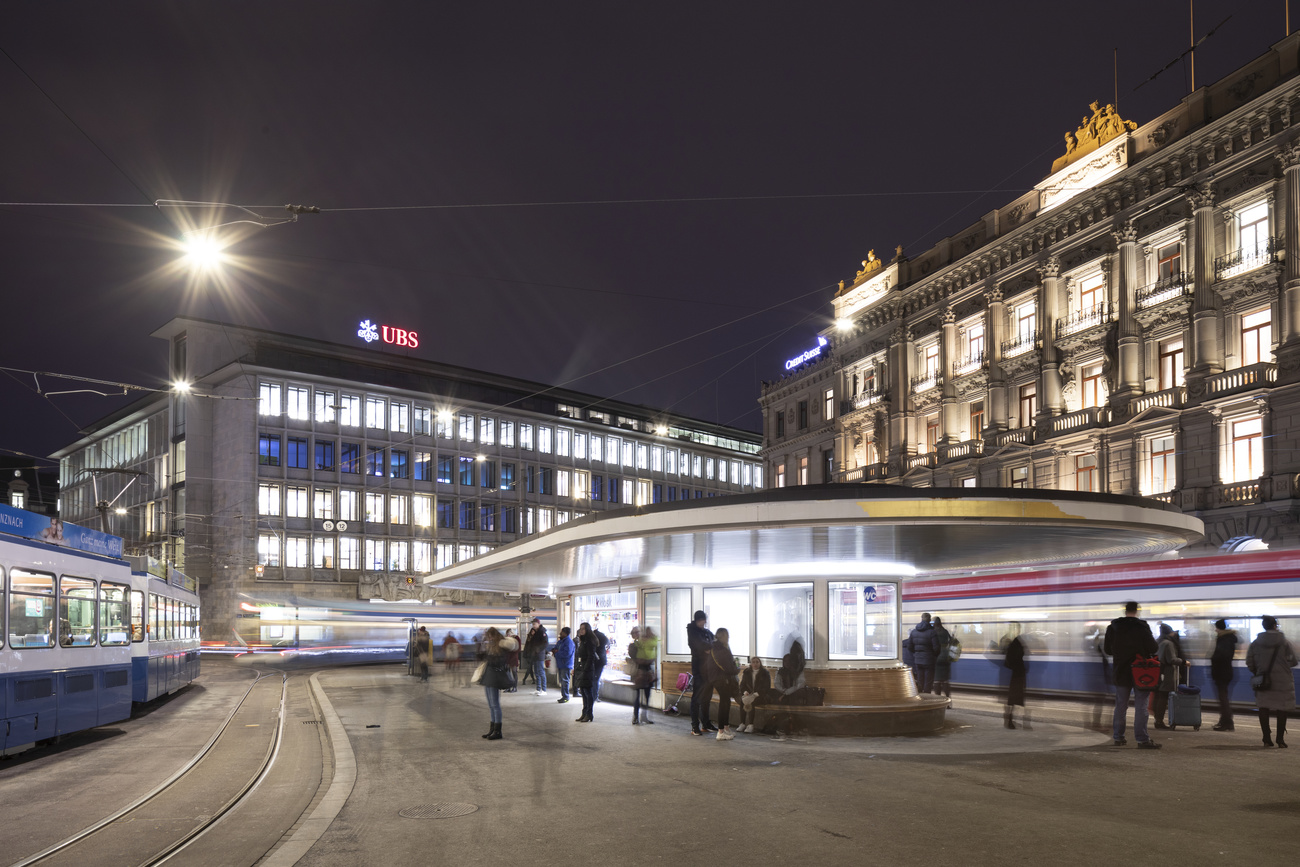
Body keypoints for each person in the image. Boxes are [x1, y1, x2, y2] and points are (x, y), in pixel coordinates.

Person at [1103, 600, 1161, 749]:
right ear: (1137, 611)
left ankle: (1118, 737)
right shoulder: (1142, 627)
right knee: (1141, 705)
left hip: (1121, 671)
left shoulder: (1113, 627)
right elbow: (1153, 647)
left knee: (1121, 706)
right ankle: (1142, 740)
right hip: (1141, 671)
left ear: (1125, 611)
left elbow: (1108, 650)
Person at [1246, 615, 1298, 747]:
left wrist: (1258, 672)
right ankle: (1280, 740)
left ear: (1264, 626)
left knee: (1263, 707)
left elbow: (1249, 661)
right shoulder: (1284, 642)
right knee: (1282, 709)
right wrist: (1283, 667)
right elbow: (1293, 661)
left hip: (1263, 679)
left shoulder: (1256, 643)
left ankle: (1266, 738)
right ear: (1275, 626)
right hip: (1283, 680)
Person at [479, 627, 518, 741]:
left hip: (495, 677)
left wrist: (488, 658)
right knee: (491, 705)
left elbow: (499, 662)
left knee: (495, 705)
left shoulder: (501, 646)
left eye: (490, 636)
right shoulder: (492, 646)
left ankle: (498, 731)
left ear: (494, 635)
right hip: (488, 676)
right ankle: (492, 729)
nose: (489, 638)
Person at [704, 627, 742, 740]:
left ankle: (726, 728)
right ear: (723, 636)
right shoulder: (721, 649)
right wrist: (737, 669)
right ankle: (721, 731)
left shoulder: (715, 647)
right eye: (727, 635)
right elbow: (728, 667)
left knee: (726, 703)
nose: (729, 637)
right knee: (724, 704)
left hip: (717, 678)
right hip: (721, 679)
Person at [687, 610, 717, 736]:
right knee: (697, 697)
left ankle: (706, 723)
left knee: (707, 697)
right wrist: (706, 648)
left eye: (703, 620)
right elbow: (698, 645)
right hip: (699, 669)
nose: (701, 622)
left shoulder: (707, 632)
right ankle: (695, 726)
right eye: (699, 620)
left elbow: (715, 643)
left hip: (709, 669)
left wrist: (708, 649)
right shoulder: (692, 631)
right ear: (696, 620)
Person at [1152, 623, 1186, 729]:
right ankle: (1159, 721)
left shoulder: (1157, 641)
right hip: (1167, 673)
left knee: (1157, 695)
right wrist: (1184, 662)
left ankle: (1157, 720)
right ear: (1169, 633)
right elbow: (1172, 659)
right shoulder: (1168, 643)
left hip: (1157, 672)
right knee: (1163, 696)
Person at [770, 652, 808, 741]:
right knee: (781, 704)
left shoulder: (798, 671)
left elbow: (800, 684)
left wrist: (788, 692)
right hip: (783, 694)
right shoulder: (780, 671)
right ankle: (783, 729)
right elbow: (777, 684)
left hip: (795, 693)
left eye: (789, 661)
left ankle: (795, 728)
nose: (787, 663)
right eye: (785, 661)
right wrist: (784, 691)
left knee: (792, 703)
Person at [1210, 619, 1239, 731]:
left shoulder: (1224, 639)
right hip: (1225, 671)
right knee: (1223, 697)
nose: (1215, 630)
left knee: (1223, 698)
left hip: (1222, 672)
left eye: (1216, 628)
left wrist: (1214, 660)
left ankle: (1228, 723)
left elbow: (1221, 655)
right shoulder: (1227, 638)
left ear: (1219, 628)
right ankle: (1223, 721)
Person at [1003, 623, 1028, 729]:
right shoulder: (1016, 642)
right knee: (1014, 698)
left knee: (1014, 699)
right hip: (1017, 673)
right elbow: (1015, 658)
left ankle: (1009, 720)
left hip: (1016, 673)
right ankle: (1009, 721)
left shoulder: (1013, 641)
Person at [572, 622, 599, 722]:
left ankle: (589, 714)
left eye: (583, 629)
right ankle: (584, 713)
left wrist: (585, 669)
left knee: (588, 692)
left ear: (587, 630)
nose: (581, 630)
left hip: (587, 670)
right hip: (581, 668)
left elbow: (591, 657)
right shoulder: (582, 641)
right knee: (583, 692)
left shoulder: (590, 641)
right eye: (580, 628)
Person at [630, 626, 658, 725]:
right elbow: (637, 659)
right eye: (635, 633)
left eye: (639, 632)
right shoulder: (633, 646)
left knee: (647, 696)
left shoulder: (646, 643)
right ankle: (635, 716)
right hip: (638, 672)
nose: (638, 634)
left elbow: (653, 656)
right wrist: (648, 660)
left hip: (647, 673)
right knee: (637, 697)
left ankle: (644, 716)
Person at [905, 613, 937, 694]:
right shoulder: (932, 632)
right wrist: (933, 655)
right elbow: (936, 647)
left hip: (918, 660)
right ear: (929, 620)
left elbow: (909, 646)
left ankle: (919, 696)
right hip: (929, 659)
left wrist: (916, 654)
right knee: (928, 680)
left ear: (921, 619)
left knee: (920, 679)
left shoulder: (914, 632)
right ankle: (927, 697)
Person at [738, 656, 772, 733]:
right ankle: (742, 723)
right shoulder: (747, 672)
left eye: (757, 662)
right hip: (749, 694)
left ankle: (751, 725)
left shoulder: (765, 673)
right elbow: (742, 685)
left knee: (751, 702)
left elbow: (767, 687)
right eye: (753, 662)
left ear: (760, 663)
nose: (755, 664)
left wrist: (756, 694)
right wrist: (745, 692)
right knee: (742, 701)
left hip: (761, 695)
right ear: (751, 664)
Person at [524, 617, 549, 696]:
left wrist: (538, 649)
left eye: (534, 624)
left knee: (541, 672)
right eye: (533, 624)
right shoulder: (536, 632)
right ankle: (538, 689)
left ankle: (544, 690)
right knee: (537, 672)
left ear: (539, 624)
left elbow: (545, 643)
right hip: (534, 655)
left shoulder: (542, 632)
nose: (533, 625)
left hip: (539, 655)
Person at [551, 626, 575, 704]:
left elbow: (567, 653)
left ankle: (566, 696)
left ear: (565, 633)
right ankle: (563, 696)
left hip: (566, 664)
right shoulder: (561, 641)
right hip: (560, 664)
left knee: (565, 681)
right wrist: (555, 651)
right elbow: (555, 648)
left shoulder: (569, 642)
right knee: (562, 680)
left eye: (562, 632)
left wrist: (557, 653)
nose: (560, 633)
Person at [932, 616, 953, 698]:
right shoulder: (945, 631)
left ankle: (939, 699)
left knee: (937, 681)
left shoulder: (933, 632)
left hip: (936, 657)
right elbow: (951, 641)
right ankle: (948, 699)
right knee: (945, 681)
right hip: (946, 657)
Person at [591, 625, 609, 702]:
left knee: (593, 679)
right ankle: (595, 696)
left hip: (595, 661)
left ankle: (593, 695)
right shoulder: (603, 638)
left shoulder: (593, 638)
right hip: (601, 661)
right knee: (596, 679)